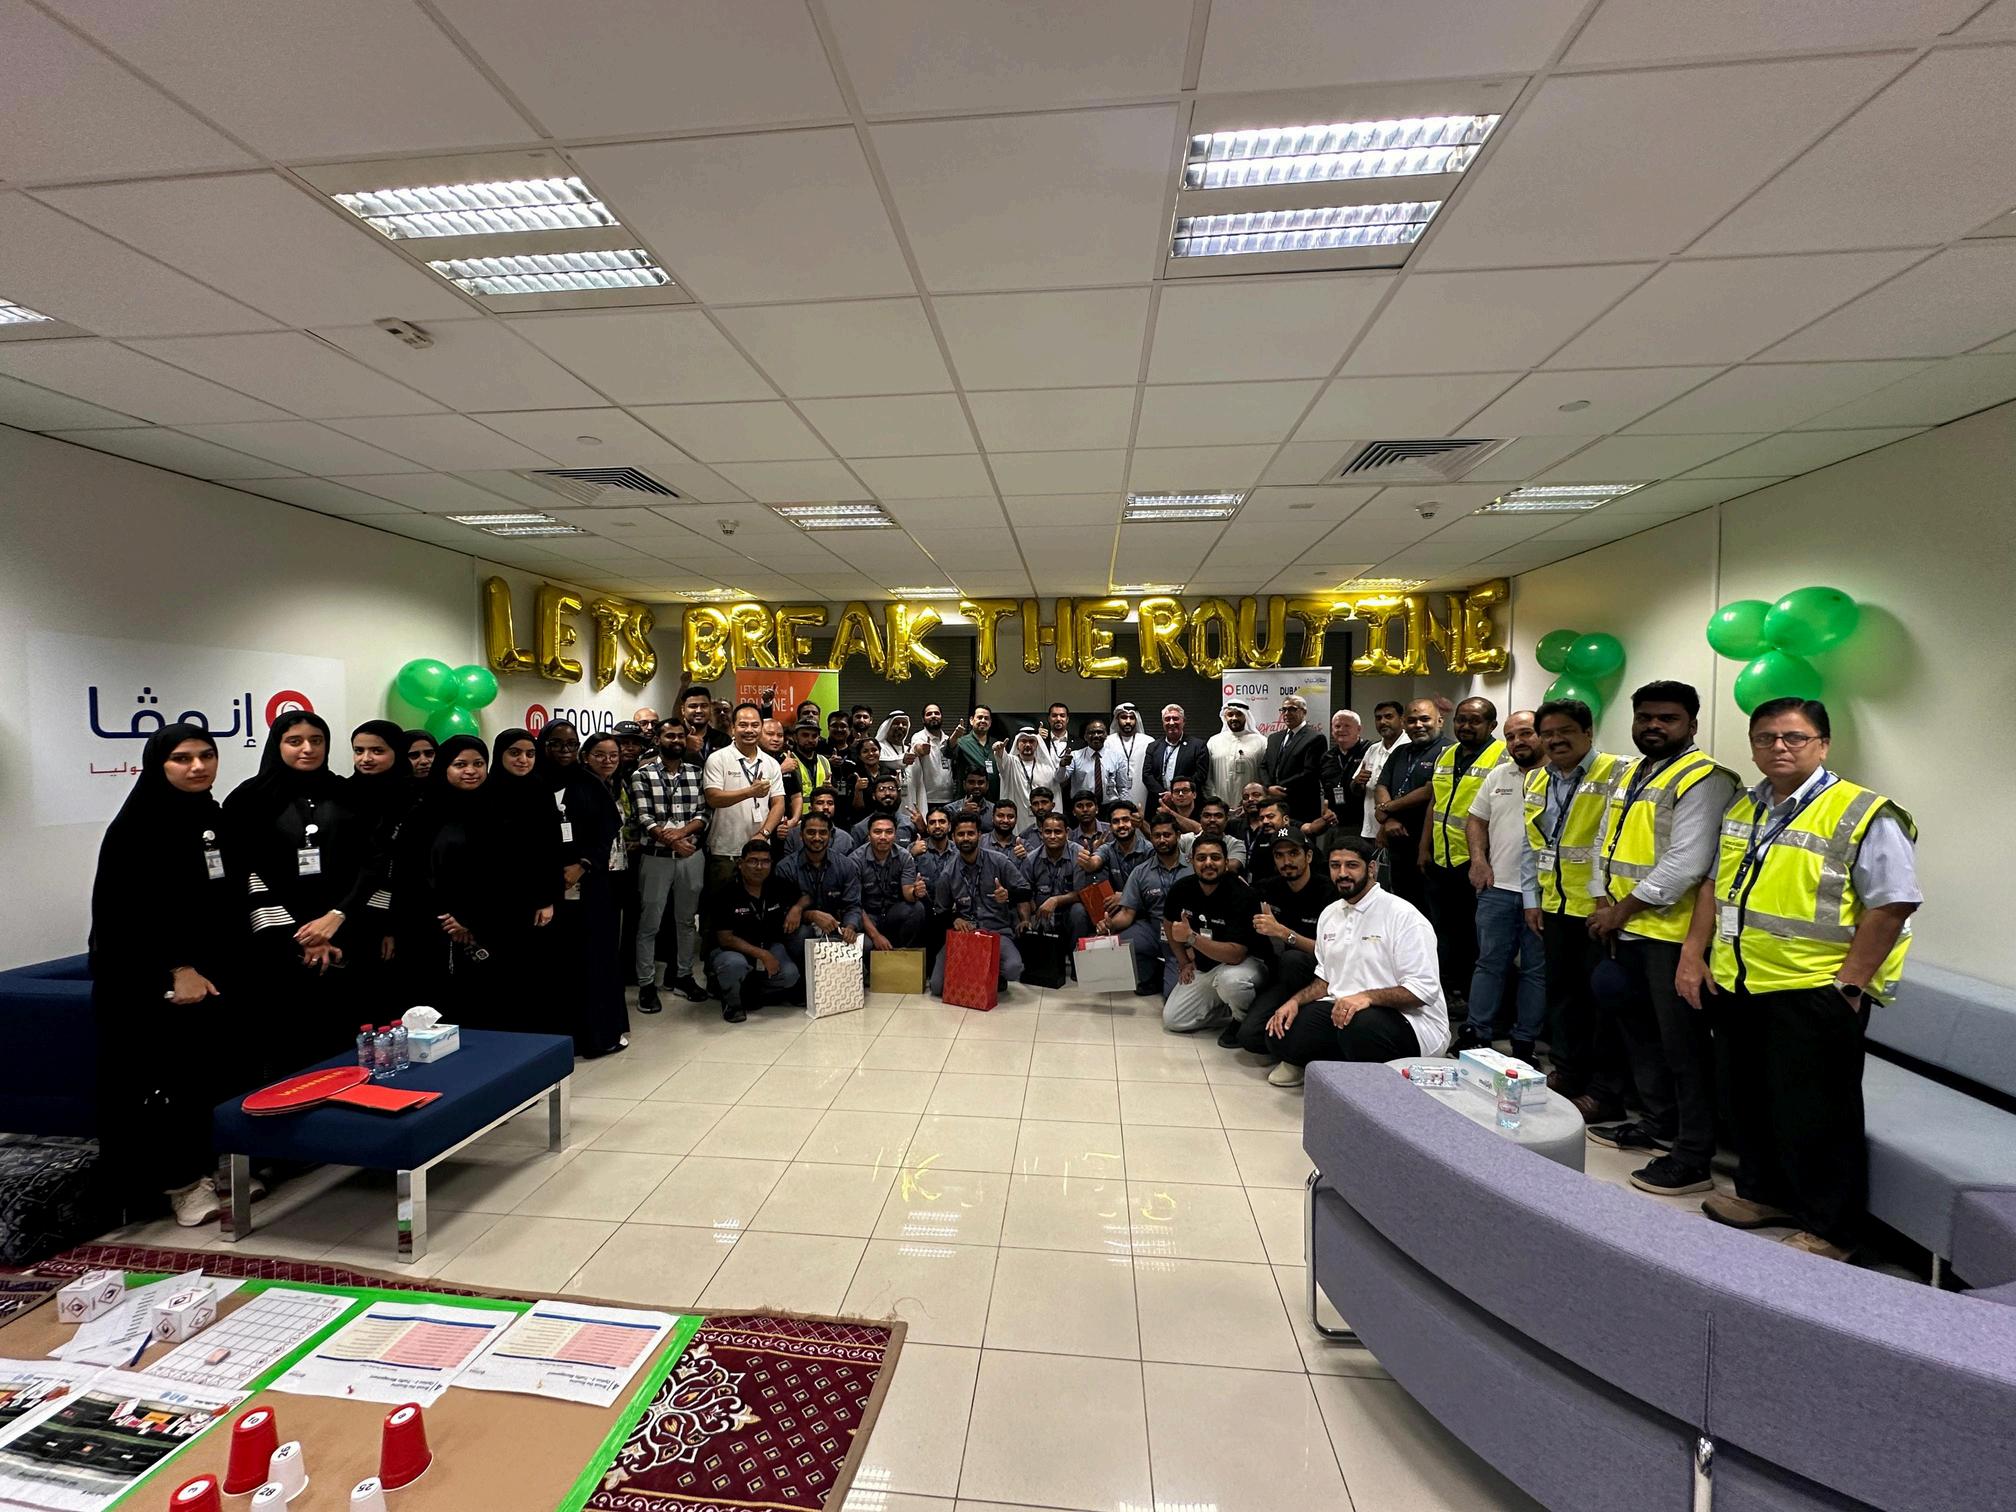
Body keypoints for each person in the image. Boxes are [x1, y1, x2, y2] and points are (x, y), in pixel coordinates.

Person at [1679, 697, 1919, 1260]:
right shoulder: (1745, 806)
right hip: (1740, 984)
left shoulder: (1863, 811)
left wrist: (1851, 985)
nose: (1778, 747)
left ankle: (1833, 1230)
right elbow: (1714, 884)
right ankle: (1765, 1195)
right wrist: (1693, 953)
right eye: (1765, 738)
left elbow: (1893, 903)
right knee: (1748, 1101)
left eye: (1794, 737)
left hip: (1814, 990)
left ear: (1823, 744)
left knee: (1817, 1114)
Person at [90, 723, 247, 1227]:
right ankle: (179, 1185)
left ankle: (213, 1168)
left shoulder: (211, 816)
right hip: (151, 979)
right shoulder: (138, 825)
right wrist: (178, 968)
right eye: (182, 758)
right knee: (167, 1081)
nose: (197, 766)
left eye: (206, 755)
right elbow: (129, 913)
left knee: (209, 1075)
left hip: (213, 973)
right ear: (158, 765)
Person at [1587, 681, 1740, 1191]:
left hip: (1673, 939)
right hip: (1626, 929)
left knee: (1683, 1048)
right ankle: (1659, 1125)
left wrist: (1620, 910)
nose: (1653, 725)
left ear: (1691, 725)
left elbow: (1687, 862)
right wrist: (1602, 902)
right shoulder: (1633, 772)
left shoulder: (1706, 779)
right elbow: (1604, 840)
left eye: (1667, 718)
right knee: (1641, 1036)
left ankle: (1693, 1153)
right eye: (1645, 717)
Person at [224, 711, 373, 1073]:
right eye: (295, 741)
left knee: (345, 1040)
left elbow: (370, 861)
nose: (307, 749)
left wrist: (337, 916)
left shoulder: (349, 794)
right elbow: (245, 873)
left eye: (316, 741)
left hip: (346, 934)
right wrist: (305, 937)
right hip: (278, 945)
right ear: (277, 745)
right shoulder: (249, 799)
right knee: (290, 1048)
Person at [387, 734, 553, 1030]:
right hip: (435, 928)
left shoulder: (501, 812)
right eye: (460, 764)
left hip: (495, 926)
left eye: (478, 764)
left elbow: (512, 872)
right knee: (444, 1009)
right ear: (444, 767)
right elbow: (409, 875)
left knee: (495, 1007)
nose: (471, 771)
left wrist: (470, 918)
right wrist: (449, 918)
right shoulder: (423, 816)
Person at [1259, 837, 1447, 1087]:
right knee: (1280, 1032)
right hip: (1345, 1012)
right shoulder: (1330, 914)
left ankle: (1367, 1082)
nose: (1342, 874)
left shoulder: (1403, 916)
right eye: (1335, 866)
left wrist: (1366, 997)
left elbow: (1423, 991)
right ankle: (1338, 1065)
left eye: (1352, 865)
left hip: (1408, 1021)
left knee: (1359, 1026)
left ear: (1371, 869)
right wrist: (1294, 1002)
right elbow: (1325, 980)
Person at [1520, 699, 1629, 1123]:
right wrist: (1532, 900)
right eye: (1547, 733)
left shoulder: (1617, 773)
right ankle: (1567, 1073)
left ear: (1588, 732)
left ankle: (1604, 1091)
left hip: (1599, 910)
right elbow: (1533, 846)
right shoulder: (1537, 779)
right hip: (1553, 905)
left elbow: (1612, 842)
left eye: (1565, 731)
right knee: (1563, 998)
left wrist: (1605, 902)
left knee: (1601, 1004)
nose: (1555, 740)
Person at [1452, 710, 1547, 1063]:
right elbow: (1476, 820)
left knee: (1536, 971)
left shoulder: (1560, 776)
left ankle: (1524, 1043)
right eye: (1510, 736)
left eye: (1526, 733)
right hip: (1498, 888)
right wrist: (1478, 860)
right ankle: (1476, 1034)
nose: (1517, 742)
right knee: (1489, 964)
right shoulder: (1498, 775)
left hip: (1546, 895)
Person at [1419, 697, 1505, 1008]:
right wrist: (1423, 847)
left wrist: (1484, 860)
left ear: (1491, 725)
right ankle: (1449, 991)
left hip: (1477, 862)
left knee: (1473, 935)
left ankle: (1473, 998)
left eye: (1474, 721)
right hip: (1442, 858)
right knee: (1444, 930)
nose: (1466, 726)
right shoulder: (1446, 754)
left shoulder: (1502, 757)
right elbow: (1435, 803)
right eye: (1461, 719)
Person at [555, 733, 631, 1057]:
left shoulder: (605, 786)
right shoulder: (549, 784)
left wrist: (585, 864)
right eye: (600, 754)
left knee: (601, 956)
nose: (607, 760)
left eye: (613, 755)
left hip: (601, 879)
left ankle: (602, 1030)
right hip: (562, 884)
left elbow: (609, 830)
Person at [1232, 832, 1339, 1055]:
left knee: (1293, 959)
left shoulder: (1330, 893)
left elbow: (1332, 953)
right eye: (1279, 855)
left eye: (1293, 853)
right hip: (1281, 977)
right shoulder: (1267, 889)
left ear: (1308, 856)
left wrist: (1284, 933)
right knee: (1249, 1037)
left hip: (1322, 977)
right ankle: (1284, 1032)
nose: (1286, 861)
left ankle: (1301, 1028)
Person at [630, 717, 708, 1013]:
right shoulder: (642, 775)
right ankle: (647, 984)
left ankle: (683, 977)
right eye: (669, 736)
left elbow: (703, 813)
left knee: (686, 922)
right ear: (657, 740)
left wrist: (682, 835)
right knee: (649, 923)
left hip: (691, 856)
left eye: (680, 736)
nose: (676, 741)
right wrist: (672, 841)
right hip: (656, 858)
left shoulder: (697, 773)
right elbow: (644, 817)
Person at [1161, 836, 1264, 1033]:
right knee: (1174, 1019)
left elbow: (1236, 955)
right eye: (1201, 858)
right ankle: (1229, 1013)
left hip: (1245, 964)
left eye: (1215, 857)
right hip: (1206, 964)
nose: (1208, 863)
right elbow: (1168, 923)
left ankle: (1243, 1022)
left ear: (1226, 862)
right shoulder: (1181, 889)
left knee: (1231, 982)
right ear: (1191, 861)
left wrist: (1191, 938)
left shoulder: (1242, 894)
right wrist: (1184, 962)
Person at [928, 813, 1031, 997]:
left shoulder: (999, 861)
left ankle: (993, 974)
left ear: (980, 835)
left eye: (970, 833)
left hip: (996, 931)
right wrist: (955, 919)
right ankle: (976, 973)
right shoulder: (948, 873)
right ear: (953, 837)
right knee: (937, 987)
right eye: (961, 834)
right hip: (964, 935)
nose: (966, 838)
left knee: (1013, 969)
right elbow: (940, 912)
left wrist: (1008, 895)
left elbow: (1026, 890)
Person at [707, 838, 804, 1022]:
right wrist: (762, 954)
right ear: (740, 863)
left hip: (768, 944)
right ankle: (732, 1002)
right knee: (733, 965)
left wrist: (797, 908)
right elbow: (726, 938)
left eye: (765, 861)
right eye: (753, 861)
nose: (759, 867)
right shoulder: (725, 891)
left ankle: (752, 990)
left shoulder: (776, 884)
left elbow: (806, 897)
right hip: (731, 950)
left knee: (790, 975)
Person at [1374, 698, 1450, 910]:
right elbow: (1381, 785)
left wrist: (1386, 809)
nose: (1418, 725)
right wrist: (1388, 820)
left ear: (1440, 721)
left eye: (1425, 719)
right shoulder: (1400, 752)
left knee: (1431, 909)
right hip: (1398, 845)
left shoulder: (1449, 751)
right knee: (1401, 905)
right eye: (1412, 720)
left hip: (1429, 846)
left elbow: (1429, 790)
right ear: (1404, 724)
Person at [1105, 814, 1190, 996]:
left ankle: (1172, 972)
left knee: (1172, 996)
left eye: (1167, 835)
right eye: (1156, 836)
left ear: (1178, 835)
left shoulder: (1193, 868)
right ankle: (1151, 976)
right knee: (1120, 941)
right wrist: (1110, 924)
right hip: (1155, 929)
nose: (1162, 840)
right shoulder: (1140, 872)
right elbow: (1127, 913)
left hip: (1185, 936)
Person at [703, 702, 784, 890]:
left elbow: (779, 803)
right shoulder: (718, 759)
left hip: (760, 850)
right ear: (733, 728)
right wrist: (750, 792)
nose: (749, 730)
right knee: (723, 903)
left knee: (759, 901)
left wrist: (764, 834)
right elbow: (713, 798)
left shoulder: (770, 763)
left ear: (761, 728)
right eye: (743, 725)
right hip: (725, 850)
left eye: (755, 725)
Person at [779, 813, 862, 976]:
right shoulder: (786, 867)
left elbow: (853, 905)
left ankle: (837, 982)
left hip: (835, 927)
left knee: (864, 945)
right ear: (801, 835)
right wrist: (811, 915)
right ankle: (805, 982)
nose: (817, 838)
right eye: (811, 832)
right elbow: (783, 911)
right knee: (802, 935)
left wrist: (850, 927)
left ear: (830, 836)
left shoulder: (845, 865)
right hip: (801, 929)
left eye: (822, 832)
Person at [855, 813, 926, 952]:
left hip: (891, 913)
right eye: (877, 832)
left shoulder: (904, 856)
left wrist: (915, 892)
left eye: (889, 832)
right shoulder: (855, 860)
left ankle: (903, 955)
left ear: (895, 835)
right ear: (869, 835)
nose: (883, 837)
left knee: (916, 908)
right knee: (866, 945)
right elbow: (854, 904)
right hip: (867, 915)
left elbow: (908, 894)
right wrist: (876, 936)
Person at [1027, 812, 1089, 955]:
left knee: (1079, 911)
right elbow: (1025, 892)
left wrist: (1055, 900)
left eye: (1058, 832)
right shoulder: (1031, 859)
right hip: (1042, 914)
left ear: (1067, 832)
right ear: (1041, 833)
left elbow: (1081, 893)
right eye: (1048, 832)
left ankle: (1077, 959)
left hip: (1068, 912)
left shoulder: (1078, 854)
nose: (1053, 836)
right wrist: (1029, 912)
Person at [1262, 693, 1326, 827]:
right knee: (1278, 838)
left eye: (1292, 709)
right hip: (1275, 804)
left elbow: (1310, 773)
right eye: (1284, 710)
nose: (1286, 713)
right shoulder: (1273, 738)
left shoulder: (1315, 738)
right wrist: (1268, 787)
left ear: (1304, 712)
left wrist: (1279, 787)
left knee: (1299, 838)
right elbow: (1263, 766)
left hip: (1301, 804)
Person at [1315, 709, 1370, 850]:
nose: (1341, 730)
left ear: (1359, 729)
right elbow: (1326, 792)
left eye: (1347, 726)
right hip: (1335, 823)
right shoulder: (1327, 757)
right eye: (1337, 726)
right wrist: (1326, 810)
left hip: (1362, 824)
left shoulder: (1369, 751)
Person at [1143, 703, 1209, 818]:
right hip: (1159, 803)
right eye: (1167, 719)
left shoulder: (1198, 746)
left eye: (1175, 718)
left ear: (1183, 721)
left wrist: (1176, 794)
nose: (1171, 722)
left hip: (1188, 806)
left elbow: (1200, 775)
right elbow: (1147, 775)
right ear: (1163, 723)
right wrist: (1164, 795)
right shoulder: (1153, 747)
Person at [1357, 701, 1406, 842]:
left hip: (1399, 829)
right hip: (1370, 830)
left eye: (1388, 716)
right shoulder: (1372, 749)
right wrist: (1357, 782)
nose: (1383, 722)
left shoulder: (1409, 748)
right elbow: (1357, 789)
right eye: (1378, 718)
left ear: (1402, 719)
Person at [1208, 701, 1267, 809]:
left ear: (1246, 716)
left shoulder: (1261, 742)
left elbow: (1265, 776)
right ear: (1225, 717)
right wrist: (1215, 801)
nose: (1234, 718)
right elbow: (1208, 777)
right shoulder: (1214, 741)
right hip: (1219, 808)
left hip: (1251, 807)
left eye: (1239, 714)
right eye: (1230, 714)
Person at [1064, 717, 1129, 812]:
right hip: (1083, 807)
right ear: (1085, 736)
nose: (1096, 735)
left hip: (1109, 807)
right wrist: (1062, 766)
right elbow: (1061, 778)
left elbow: (1123, 787)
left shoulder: (1117, 757)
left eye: (1100, 732)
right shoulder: (1075, 756)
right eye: (1091, 732)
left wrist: (1124, 808)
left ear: (1106, 735)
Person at [999, 726, 1055, 833]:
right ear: (1017, 744)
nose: (1028, 745)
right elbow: (1002, 760)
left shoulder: (1046, 767)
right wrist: (999, 751)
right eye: (1024, 741)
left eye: (1032, 741)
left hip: (1039, 812)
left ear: (1037, 744)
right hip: (1018, 813)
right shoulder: (1011, 763)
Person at [759, 718, 805, 838]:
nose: (775, 739)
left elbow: (796, 796)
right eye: (770, 734)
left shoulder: (785, 758)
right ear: (758, 734)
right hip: (759, 825)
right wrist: (780, 770)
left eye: (780, 735)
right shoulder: (752, 759)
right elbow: (754, 789)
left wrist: (794, 820)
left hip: (785, 826)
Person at [1181, 796, 1249, 873]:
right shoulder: (1186, 840)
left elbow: (1232, 867)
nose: (1212, 820)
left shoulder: (1236, 844)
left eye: (1218, 816)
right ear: (1200, 819)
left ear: (1226, 820)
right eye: (1207, 816)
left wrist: (1190, 863)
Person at [1102, 703, 1151, 808]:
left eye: (1132, 718)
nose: (1128, 721)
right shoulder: (1107, 742)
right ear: (1117, 719)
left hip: (1141, 790)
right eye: (1124, 717)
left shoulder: (1148, 742)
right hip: (1114, 793)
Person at [787, 786, 855, 858]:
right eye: (820, 803)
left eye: (830, 803)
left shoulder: (845, 839)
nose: (826, 807)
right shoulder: (793, 835)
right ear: (810, 808)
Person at [951, 704, 999, 801]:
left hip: (993, 799)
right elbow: (947, 752)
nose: (983, 721)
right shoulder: (961, 742)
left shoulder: (997, 744)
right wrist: (955, 737)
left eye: (986, 718)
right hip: (968, 800)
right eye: (979, 717)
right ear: (971, 720)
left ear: (990, 723)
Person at [852, 772, 915, 846]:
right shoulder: (860, 829)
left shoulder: (910, 824)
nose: (887, 793)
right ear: (874, 796)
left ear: (898, 793)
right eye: (881, 789)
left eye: (891, 789)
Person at [678, 685, 729, 757]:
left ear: (710, 708)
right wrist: (684, 748)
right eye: (693, 706)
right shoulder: (673, 737)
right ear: (683, 710)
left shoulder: (723, 739)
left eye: (704, 706)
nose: (699, 710)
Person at [1038, 702, 1073, 770]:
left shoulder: (1079, 742)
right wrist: (1036, 737)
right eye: (1054, 715)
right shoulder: (1041, 740)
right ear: (1049, 719)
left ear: (1067, 719)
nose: (1058, 719)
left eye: (1062, 716)